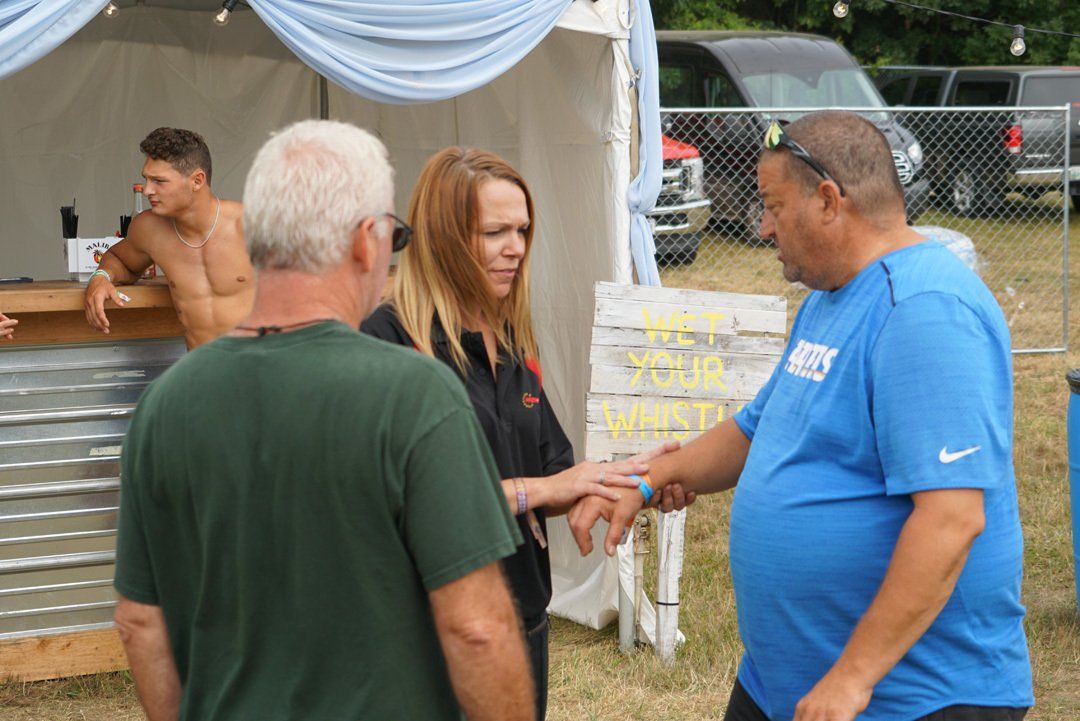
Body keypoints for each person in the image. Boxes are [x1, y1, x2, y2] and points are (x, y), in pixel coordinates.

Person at [568, 110, 1033, 721]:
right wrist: (647, 481)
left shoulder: (925, 310)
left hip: (907, 699)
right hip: (779, 685)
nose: (763, 226)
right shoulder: (831, 295)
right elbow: (757, 430)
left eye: (772, 206)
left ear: (829, 202)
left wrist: (853, 677)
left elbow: (951, 519)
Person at [113, 121, 533, 721]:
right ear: (366, 241)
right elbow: (477, 628)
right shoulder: (416, 395)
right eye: (393, 237)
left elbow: (139, 620)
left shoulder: (165, 405)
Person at [362, 147, 685, 720]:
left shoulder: (510, 337)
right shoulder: (387, 341)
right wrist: (537, 492)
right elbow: (390, 505)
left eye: (523, 230)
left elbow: (555, 474)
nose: (516, 247)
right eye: (495, 232)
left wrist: (625, 479)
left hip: (523, 616)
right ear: (442, 238)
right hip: (431, 632)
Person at [83, 127, 254, 349]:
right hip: (199, 367)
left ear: (197, 180)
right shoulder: (150, 229)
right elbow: (121, 260)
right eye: (146, 179)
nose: (147, 190)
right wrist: (101, 277)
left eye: (159, 181)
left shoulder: (251, 226)